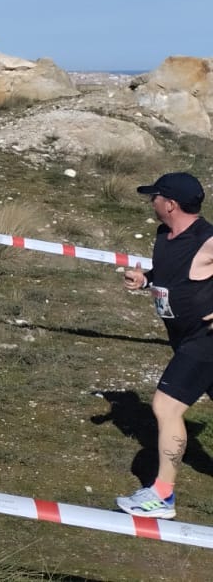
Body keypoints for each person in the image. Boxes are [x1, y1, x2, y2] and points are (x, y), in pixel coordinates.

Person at [117, 172, 213, 519]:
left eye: (154, 197)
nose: (150, 202)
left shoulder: (207, 239)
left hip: (205, 342)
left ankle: (162, 496)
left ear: (170, 203)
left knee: (166, 407)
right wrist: (145, 281)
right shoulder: (165, 235)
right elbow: (169, 275)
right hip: (184, 338)